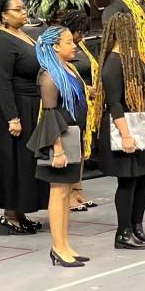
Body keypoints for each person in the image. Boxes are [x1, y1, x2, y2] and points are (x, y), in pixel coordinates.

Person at [0, 0, 47, 235]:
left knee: (24, 161)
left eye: (23, 7)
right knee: (12, 160)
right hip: (12, 108)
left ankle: (20, 212)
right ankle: (9, 217)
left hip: (28, 102)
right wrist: (13, 117)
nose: (24, 12)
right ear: (3, 15)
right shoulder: (0, 42)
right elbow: (1, 81)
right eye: (18, 9)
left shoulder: (21, 34)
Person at [95, 13, 145, 249]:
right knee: (128, 182)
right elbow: (115, 103)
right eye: (132, 28)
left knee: (144, 179)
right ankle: (123, 233)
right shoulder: (113, 64)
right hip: (124, 127)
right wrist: (126, 135)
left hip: (140, 125)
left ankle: (137, 227)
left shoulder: (135, 59)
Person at [26, 26, 89, 267]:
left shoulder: (67, 69)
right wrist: (58, 149)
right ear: (55, 47)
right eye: (68, 42)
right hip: (59, 138)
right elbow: (50, 113)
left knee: (66, 194)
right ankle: (57, 246)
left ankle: (65, 244)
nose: (74, 45)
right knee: (59, 192)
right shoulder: (49, 76)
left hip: (72, 134)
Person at [59, 10, 101, 212]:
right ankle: (66, 194)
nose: (82, 37)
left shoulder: (80, 46)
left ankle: (77, 188)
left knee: (82, 147)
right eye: (79, 32)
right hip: (70, 104)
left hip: (86, 105)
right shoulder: (60, 48)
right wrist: (86, 89)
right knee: (70, 148)